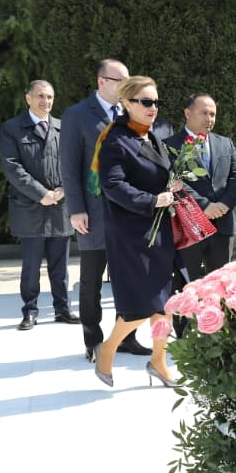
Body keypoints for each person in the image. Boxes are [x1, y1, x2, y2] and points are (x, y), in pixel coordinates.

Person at [91, 76, 181, 388]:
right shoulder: (115, 139)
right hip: (131, 235)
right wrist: (152, 200)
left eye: (156, 102)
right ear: (126, 104)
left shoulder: (153, 135)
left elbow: (156, 175)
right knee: (141, 307)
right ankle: (107, 349)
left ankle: (158, 360)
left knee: (164, 303)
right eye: (145, 102)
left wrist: (171, 186)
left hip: (158, 231)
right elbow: (113, 185)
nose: (152, 107)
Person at [59, 59, 151, 361]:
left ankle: (126, 337)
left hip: (128, 211)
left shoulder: (131, 112)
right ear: (102, 81)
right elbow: (69, 166)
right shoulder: (77, 115)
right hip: (94, 213)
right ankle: (93, 340)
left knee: (129, 279)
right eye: (120, 80)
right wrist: (76, 209)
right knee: (92, 282)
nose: (127, 86)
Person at [0, 80, 79, 330]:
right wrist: (40, 193)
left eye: (50, 97)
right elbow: (12, 167)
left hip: (59, 206)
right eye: (41, 96)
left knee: (60, 266)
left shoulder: (64, 128)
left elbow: (73, 163)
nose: (46, 101)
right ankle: (30, 311)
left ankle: (62, 309)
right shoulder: (12, 129)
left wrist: (64, 189)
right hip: (29, 207)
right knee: (31, 266)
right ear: (28, 98)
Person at [164, 93, 236, 279]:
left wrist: (224, 205)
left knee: (220, 284)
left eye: (213, 114)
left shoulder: (225, 143)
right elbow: (173, 180)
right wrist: (205, 206)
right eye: (204, 113)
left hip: (222, 225)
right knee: (187, 285)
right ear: (187, 113)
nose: (209, 119)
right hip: (189, 228)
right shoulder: (170, 145)